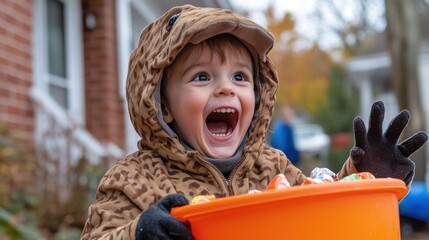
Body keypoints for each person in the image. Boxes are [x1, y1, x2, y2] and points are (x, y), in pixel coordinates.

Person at [81, 4, 428, 240]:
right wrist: (139, 232)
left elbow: (320, 213)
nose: (225, 89)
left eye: (240, 78)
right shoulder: (131, 179)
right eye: (202, 77)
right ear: (163, 105)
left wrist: (364, 176)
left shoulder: (272, 166)